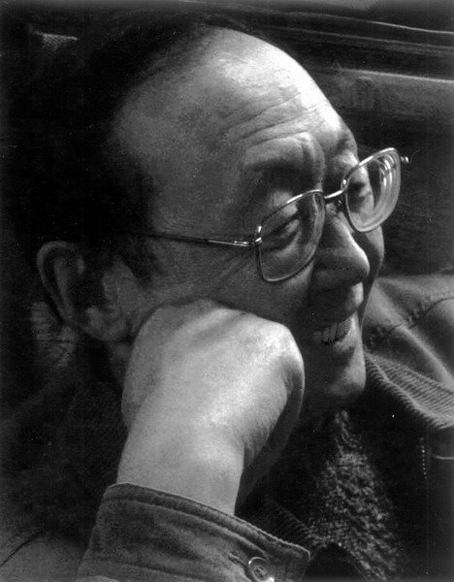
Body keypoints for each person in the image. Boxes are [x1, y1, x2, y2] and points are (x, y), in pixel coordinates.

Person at [1, 7, 453, 581]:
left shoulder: (438, 329)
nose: (356, 262)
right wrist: (184, 483)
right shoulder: (28, 550)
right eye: (282, 225)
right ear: (91, 292)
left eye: (353, 185)